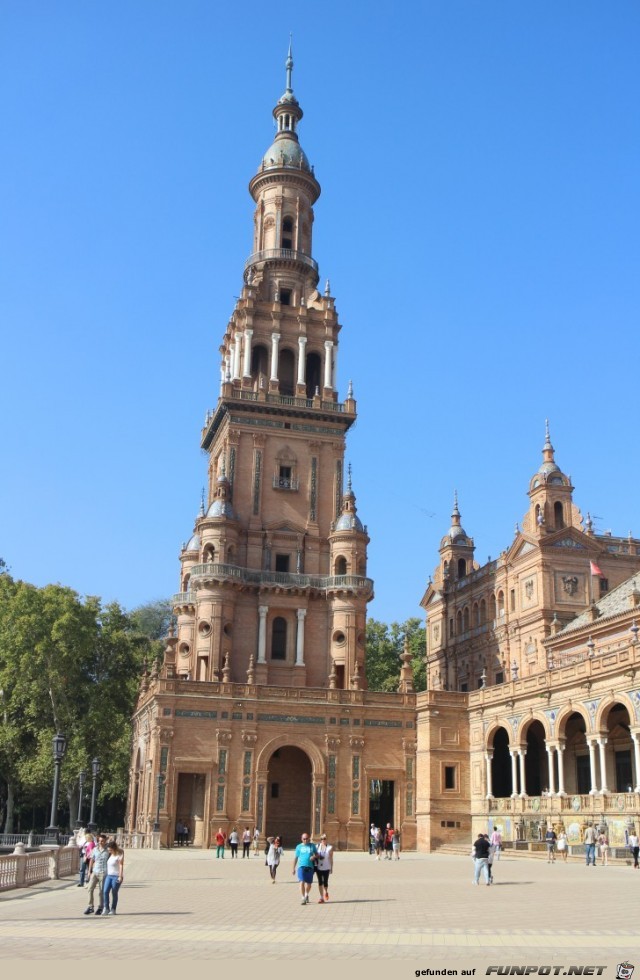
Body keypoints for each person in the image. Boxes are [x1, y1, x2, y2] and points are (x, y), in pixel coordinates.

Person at [84, 833, 109, 915]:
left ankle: (100, 907)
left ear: (105, 841)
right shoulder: (95, 849)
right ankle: (90, 906)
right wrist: (89, 871)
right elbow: (92, 860)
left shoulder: (108, 850)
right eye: (99, 841)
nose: (100, 842)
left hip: (103, 872)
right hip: (95, 871)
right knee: (90, 888)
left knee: (101, 891)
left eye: (102, 841)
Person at [292, 831, 318, 905]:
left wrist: (314, 856)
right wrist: (293, 868)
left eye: (307, 839)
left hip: (310, 867)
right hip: (301, 867)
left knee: (309, 884)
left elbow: (317, 855)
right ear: (301, 839)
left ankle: (306, 894)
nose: (305, 840)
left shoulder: (312, 846)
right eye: (304, 839)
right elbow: (296, 858)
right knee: (302, 882)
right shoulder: (298, 847)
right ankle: (303, 898)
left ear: (309, 839)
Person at [102, 840, 124, 916]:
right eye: (108, 850)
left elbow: (121, 865)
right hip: (109, 876)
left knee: (114, 892)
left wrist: (120, 876)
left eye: (110, 850)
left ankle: (113, 909)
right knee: (105, 891)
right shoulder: (109, 855)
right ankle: (106, 908)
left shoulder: (119, 855)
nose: (109, 851)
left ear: (114, 848)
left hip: (116, 876)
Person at [315, 833, 333, 902]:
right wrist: (317, 856)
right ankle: (321, 897)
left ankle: (326, 892)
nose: (323, 840)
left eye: (324, 838)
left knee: (325, 882)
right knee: (320, 882)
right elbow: (314, 854)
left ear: (326, 839)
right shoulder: (317, 846)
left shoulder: (330, 847)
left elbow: (331, 858)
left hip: (326, 867)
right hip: (319, 867)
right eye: (322, 839)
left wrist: (331, 868)